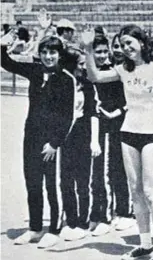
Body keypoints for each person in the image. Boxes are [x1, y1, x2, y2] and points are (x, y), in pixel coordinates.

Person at [84, 24, 153, 260]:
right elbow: (94, 76)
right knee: (136, 192)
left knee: (151, 192)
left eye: (129, 43)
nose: (125, 48)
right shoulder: (123, 69)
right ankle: (145, 243)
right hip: (128, 133)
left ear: (142, 42)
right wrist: (87, 47)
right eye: (122, 45)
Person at [1, 35, 77, 249]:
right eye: (44, 52)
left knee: (52, 185)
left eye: (52, 52)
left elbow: (67, 116)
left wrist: (54, 143)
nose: (48, 56)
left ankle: (54, 228)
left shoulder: (66, 79)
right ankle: (35, 228)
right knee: (32, 183)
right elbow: (7, 63)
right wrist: (3, 45)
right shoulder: (34, 71)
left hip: (51, 142)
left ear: (59, 55)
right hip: (32, 136)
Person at [89, 36, 135, 235]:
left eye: (103, 51)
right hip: (97, 126)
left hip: (116, 126)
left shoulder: (115, 72)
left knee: (114, 171)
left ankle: (116, 214)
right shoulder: (90, 71)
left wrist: (118, 111)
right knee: (99, 172)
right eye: (96, 52)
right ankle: (100, 213)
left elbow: (129, 97)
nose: (101, 55)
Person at [59, 47, 101, 242]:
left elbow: (93, 114)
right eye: (80, 64)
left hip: (83, 135)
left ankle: (83, 222)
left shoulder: (87, 84)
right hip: (64, 137)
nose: (83, 67)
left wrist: (94, 141)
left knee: (83, 182)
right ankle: (71, 220)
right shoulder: (60, 83)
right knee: (65, 181)